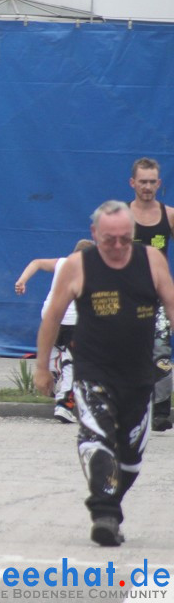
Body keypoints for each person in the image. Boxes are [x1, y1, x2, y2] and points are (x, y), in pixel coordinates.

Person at [36, 200, 174, 547]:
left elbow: (172, 305)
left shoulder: (151, 261)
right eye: (109, 239)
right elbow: (52, 317)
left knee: (130, 458)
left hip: (139, 375)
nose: (117, 247)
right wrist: (42, 368)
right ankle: (104, 514)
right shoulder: (78, 266)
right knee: (98, 441)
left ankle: (110, 508)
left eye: (124, 239)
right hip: (93, 372)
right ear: (94, 234)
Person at [15, 239, 95, 423]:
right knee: (72, 362)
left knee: (54, 355)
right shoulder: (94, 269)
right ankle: (64, 405)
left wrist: (22, 280)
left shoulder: (62, 263)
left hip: (50, 318)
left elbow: (36, 262)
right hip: (73, 321)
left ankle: (52, 381)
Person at [128, 157, 174, 431]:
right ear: (132, 183)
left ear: (159, 183)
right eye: (142, 181)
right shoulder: (120, 215)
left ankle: (160, 411)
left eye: (151, 182)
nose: (147, 187)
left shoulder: (168, 216)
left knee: (161, 352)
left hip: (158, 297)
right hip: (126, 296)